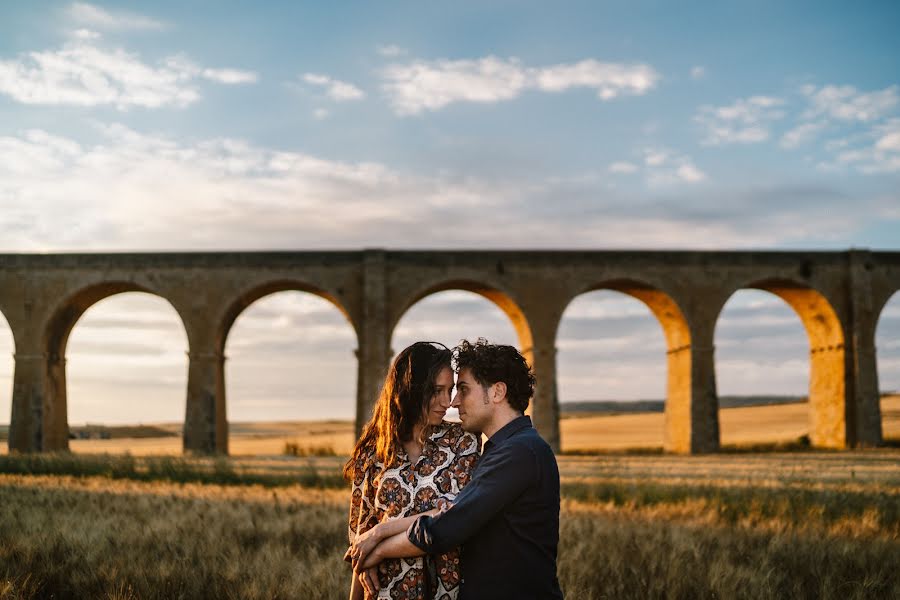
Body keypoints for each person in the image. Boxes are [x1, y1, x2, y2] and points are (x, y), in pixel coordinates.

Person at [354, 338, 564, 600]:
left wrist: (378, 547)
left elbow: (445, 527)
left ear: (497, 392)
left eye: (462, 389)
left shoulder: (518, 453)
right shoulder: (501, 451)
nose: (453, 402)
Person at [344, 341, 481, 600]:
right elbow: (360, 545)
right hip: (385, 591)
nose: (446, 401)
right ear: (409, 389)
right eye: (435, 390)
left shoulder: (463, 441)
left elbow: (454, 513)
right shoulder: (372, 452)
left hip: (446, 591)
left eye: (449, 390)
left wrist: (380, 533)